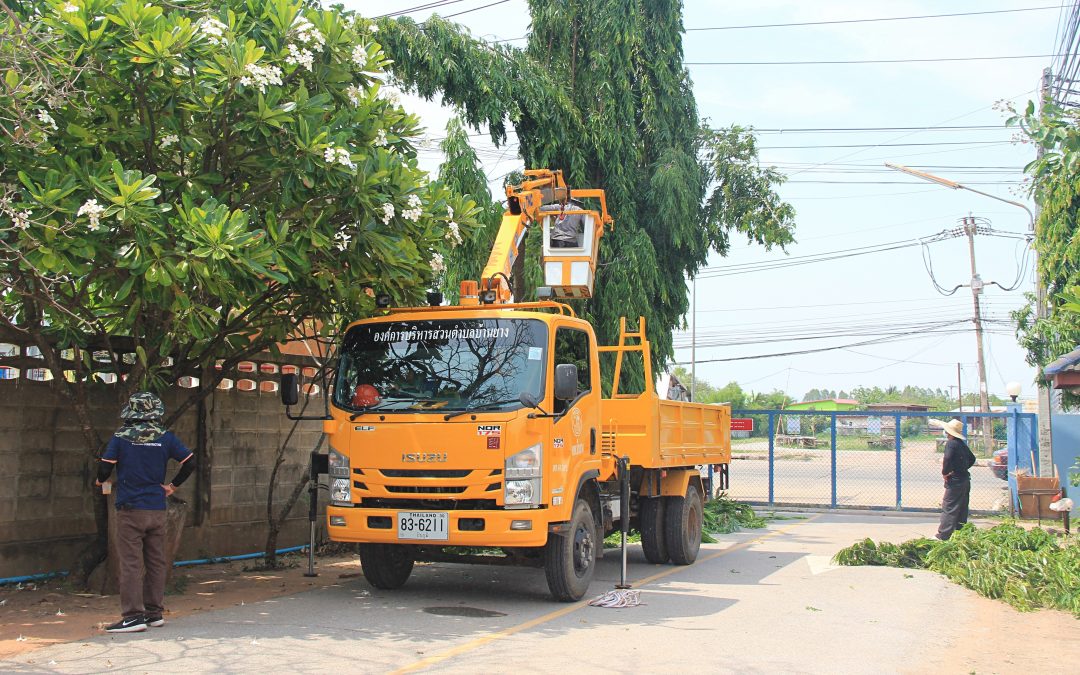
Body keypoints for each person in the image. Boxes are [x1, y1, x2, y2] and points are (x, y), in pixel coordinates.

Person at [96, 392, 195, 633]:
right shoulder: (166, 437)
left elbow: (104, 469)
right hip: (157, 509)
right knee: (156, 561)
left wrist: (101, 481)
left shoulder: (121, 438)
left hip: (130, 509)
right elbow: (190, 463)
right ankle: (154, 613)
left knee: (131, 563)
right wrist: (171, 486)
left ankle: (132, 616)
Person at [930, 418, 976, 540]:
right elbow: (972, 459)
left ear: (949, 432)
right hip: (965, 479)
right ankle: (960, 533)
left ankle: (943, 535)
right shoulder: (961, 444)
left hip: (955, 480)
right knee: (961, 507)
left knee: (949, 507)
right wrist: (962, 468)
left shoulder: (951, 444)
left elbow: (947, 459)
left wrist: (946, 472)